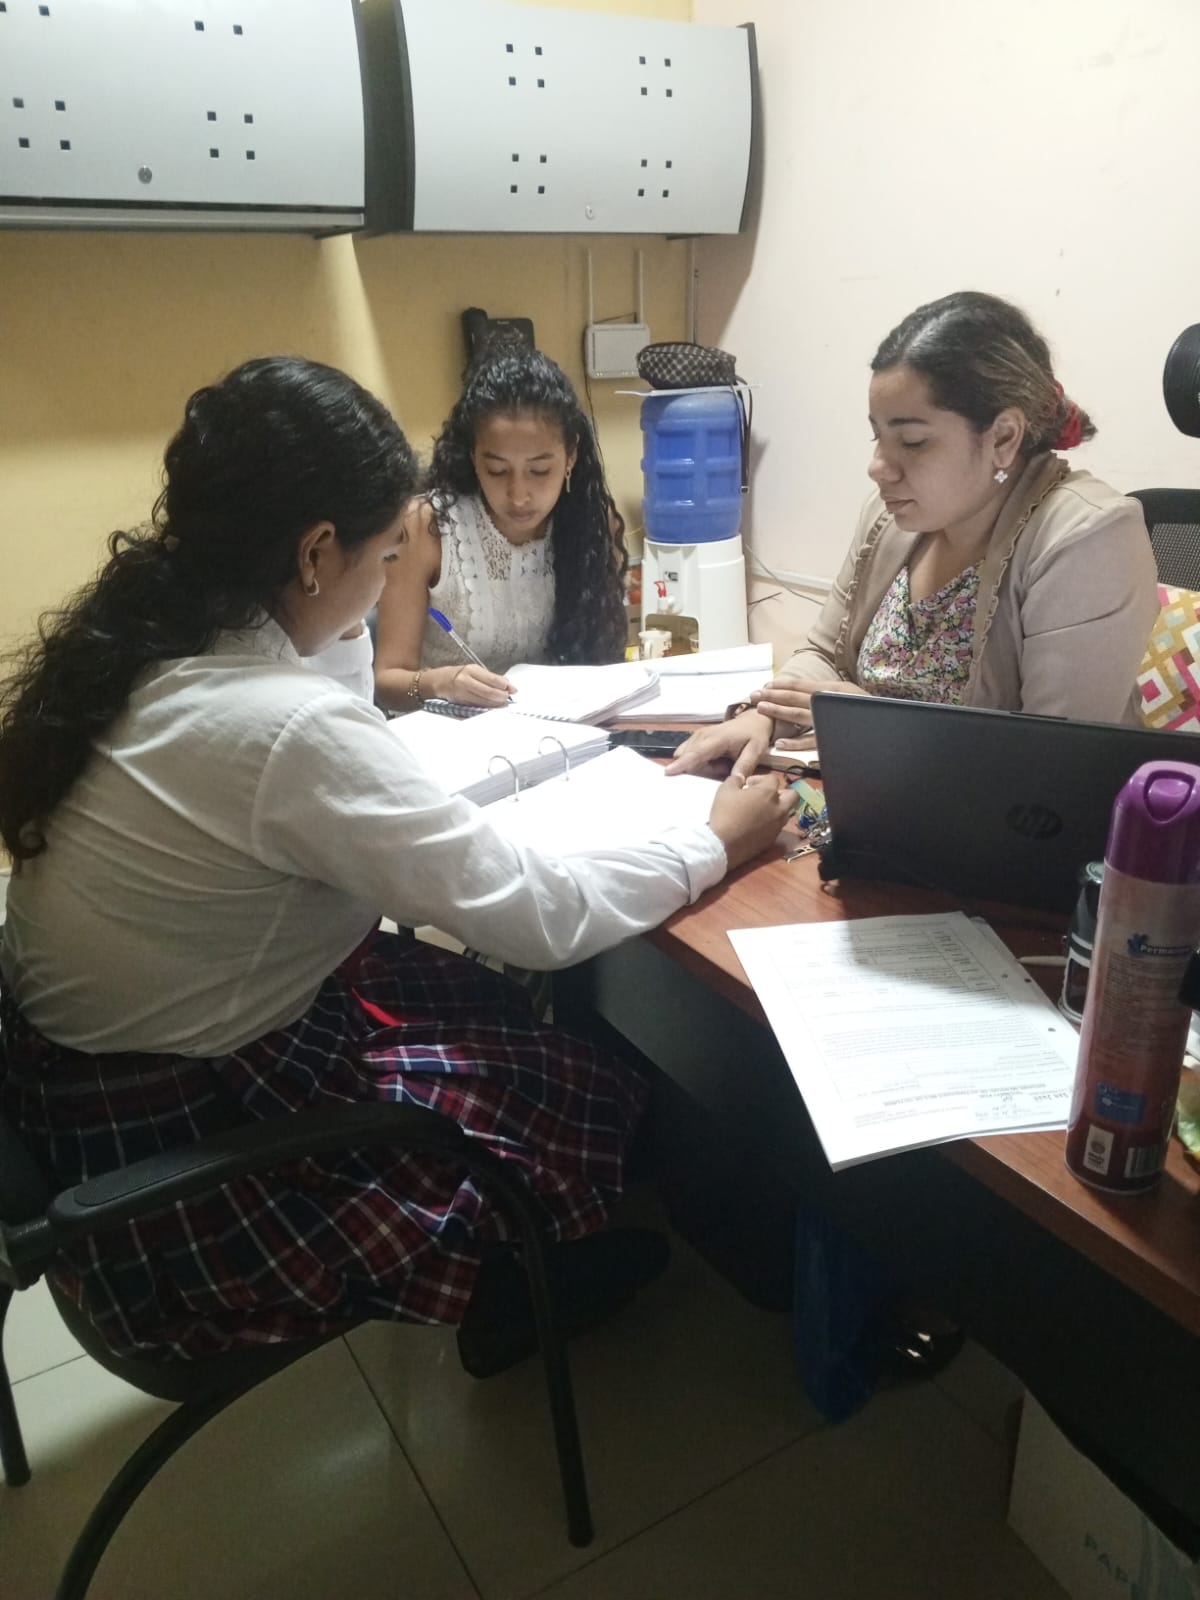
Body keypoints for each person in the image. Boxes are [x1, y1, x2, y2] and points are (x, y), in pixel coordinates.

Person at [0, 357, 794, 1378]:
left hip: (91, 1091)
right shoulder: (274, 725)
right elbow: (540, 918)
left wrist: (343, 606)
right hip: (183, 1160)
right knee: (566, 1071)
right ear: (315, 552)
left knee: (505, 1015)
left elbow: (340, 701)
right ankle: (505, 1281)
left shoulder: (163, 637)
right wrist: (715, 840)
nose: (388, 581)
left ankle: (540, 1223)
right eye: (383, 556)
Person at [669, 291, 1158, 778]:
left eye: (913, 441)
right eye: (877, 436)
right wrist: (760, 717)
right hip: (882, 787)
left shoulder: (1086, 537)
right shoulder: (891, 518)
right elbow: (823, 656)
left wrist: (883, 726)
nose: (878, 467)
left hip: (1014, 817)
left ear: (1004, 437)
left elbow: (1050, 760)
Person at [374, 349, 628, 711]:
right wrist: (439, 683)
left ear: (571, 456)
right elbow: (386, 681)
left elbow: (603, 661)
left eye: (539, 471)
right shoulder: (427, 527)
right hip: (447, 728)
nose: (519, 495)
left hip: (557, 726)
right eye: (497, 470)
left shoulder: (591, 522)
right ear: (473, 457)